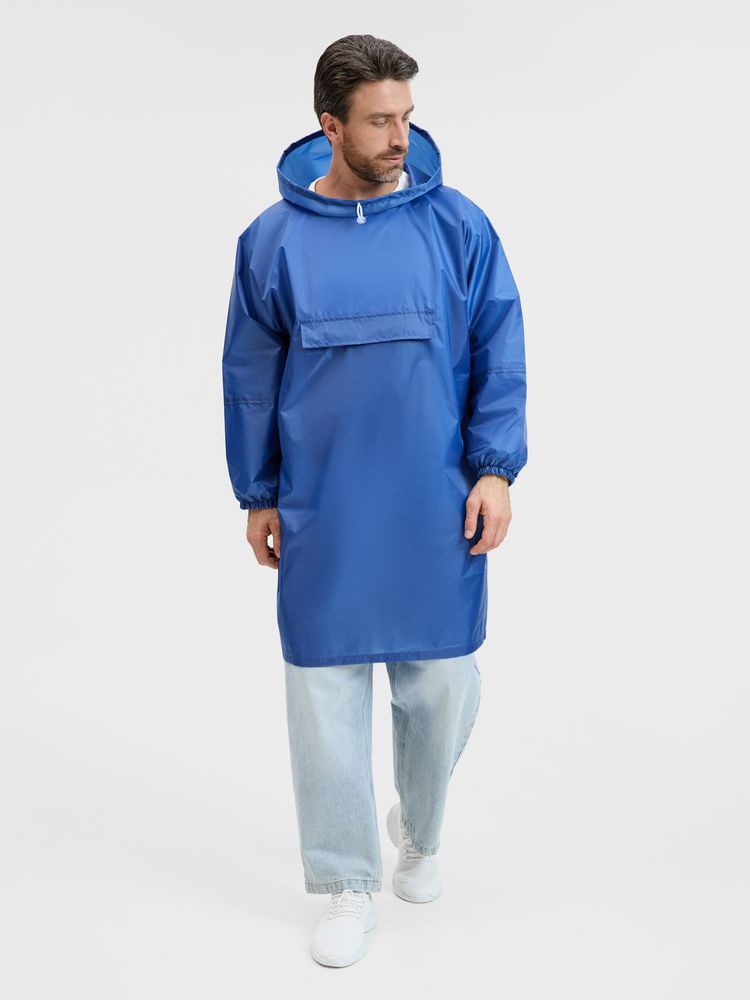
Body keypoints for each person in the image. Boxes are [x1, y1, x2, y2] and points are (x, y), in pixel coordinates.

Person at [221, 34, 528, 967]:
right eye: (379, 121)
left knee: (443, 685)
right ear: (331, 125)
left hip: (436, 499)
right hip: (323, 504)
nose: (400, 138)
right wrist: (258, 491)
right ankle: (346, 879)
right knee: (324, 696)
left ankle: (419, 832)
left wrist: (494, 469)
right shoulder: (272, 243)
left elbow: (500, 346)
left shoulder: (458, 226)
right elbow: (250, 377)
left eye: (406, 117)